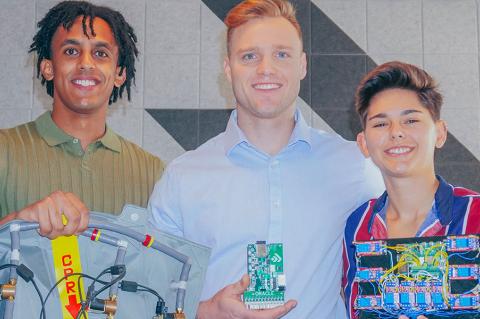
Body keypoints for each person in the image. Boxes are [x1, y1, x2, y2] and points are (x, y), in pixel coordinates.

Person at [149, 0, 383, 318]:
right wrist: (205, 312)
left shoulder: (354, 166)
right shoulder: (183, 177)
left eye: (281, 54)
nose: (266, 69)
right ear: (228, 68)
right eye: (249, 56)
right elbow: (148, 294)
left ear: (302, 65)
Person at [0, 1, 163, 238]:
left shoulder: (154, 173)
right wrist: (15, 222)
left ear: (119, 73)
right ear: (48, 67)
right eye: (71, 51)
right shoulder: (4, 150)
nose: (86, 63)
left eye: (100, 53)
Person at [342, 61, 480, 319]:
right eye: (381, 124)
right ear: (363, 143)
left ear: (439, 133)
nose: (396, 133)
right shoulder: (357, 225)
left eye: (411, 120)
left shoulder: (476, 213)